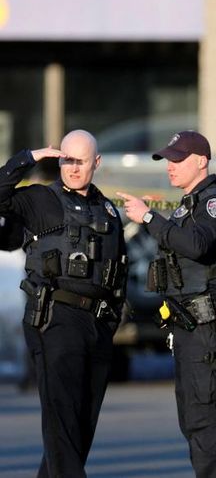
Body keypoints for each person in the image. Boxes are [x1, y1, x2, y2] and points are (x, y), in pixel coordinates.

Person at [0, 130, 128, 477]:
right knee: (63, 426)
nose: (72, 168)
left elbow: (118, 269)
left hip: (97, 325)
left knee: (81, 428)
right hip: (56, 319)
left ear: (96, 162)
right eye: (66, 160)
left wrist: (111, 323)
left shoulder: (107, 209)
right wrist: (27, 159)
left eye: (80, 161)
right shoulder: (41, 199)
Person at [117, 130, 216, 478]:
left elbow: (197, 245)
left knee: (206, 420)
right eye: (168, 160)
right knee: (192, 418)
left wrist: (149, 218)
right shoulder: (187, 206)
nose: (170, 166)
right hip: (188, 327)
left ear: (201, 161)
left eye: (178, 159)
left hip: (208, 328)